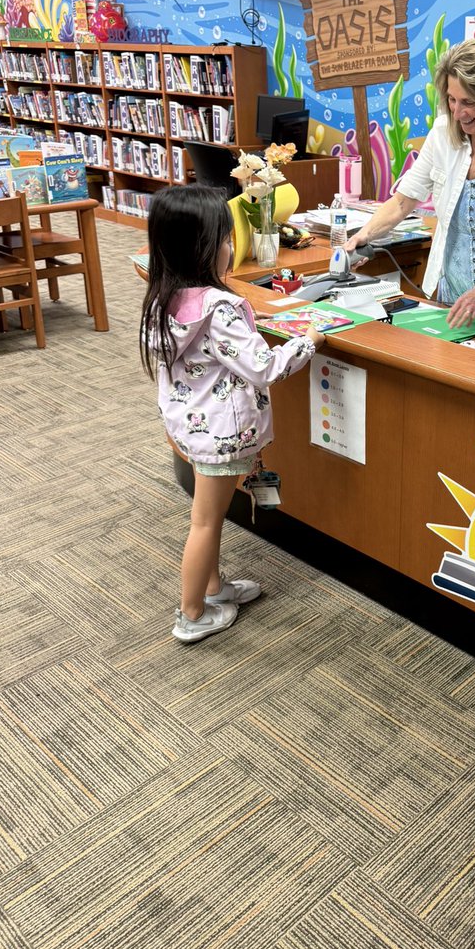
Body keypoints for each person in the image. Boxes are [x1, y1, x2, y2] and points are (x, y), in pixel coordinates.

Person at [140, 184, 325, 644]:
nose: (229, 248)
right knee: (205, 521)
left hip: (193, 426)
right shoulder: (218, 308)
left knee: (210, 517)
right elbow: (263, 367)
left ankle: (215, 589)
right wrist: (310, 341)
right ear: (204, 247)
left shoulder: (163, 298)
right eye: (225, 240)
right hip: (223, 435)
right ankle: (190, 614)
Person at [347, 39, 475, 329]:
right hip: (454, 303)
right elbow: (403, 201)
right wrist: (362, 236)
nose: (458, 112)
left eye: (469, 102)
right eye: (452, 100)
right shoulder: (443, 134)